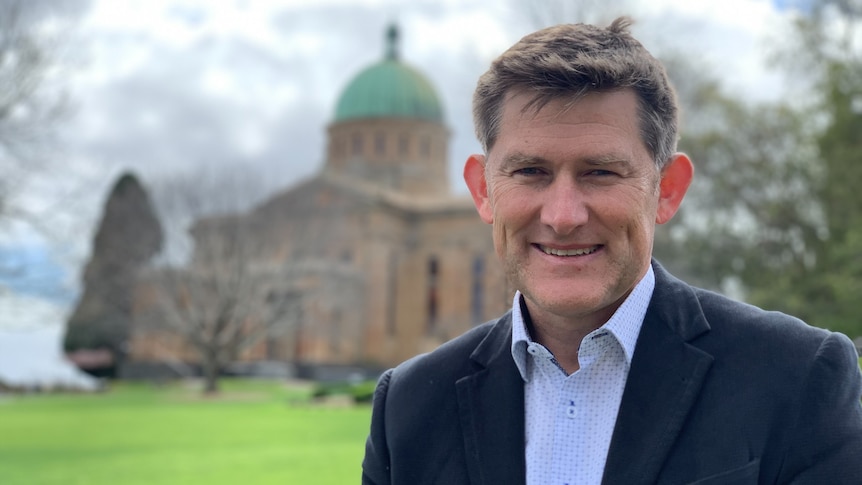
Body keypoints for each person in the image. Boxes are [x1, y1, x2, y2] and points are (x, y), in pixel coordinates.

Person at [361, 17, 862, 485]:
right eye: (530, 172)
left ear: (667, 189)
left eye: (600, 172)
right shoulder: (406, 408)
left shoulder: (796, 378)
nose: (562, 216)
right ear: (483, 189)